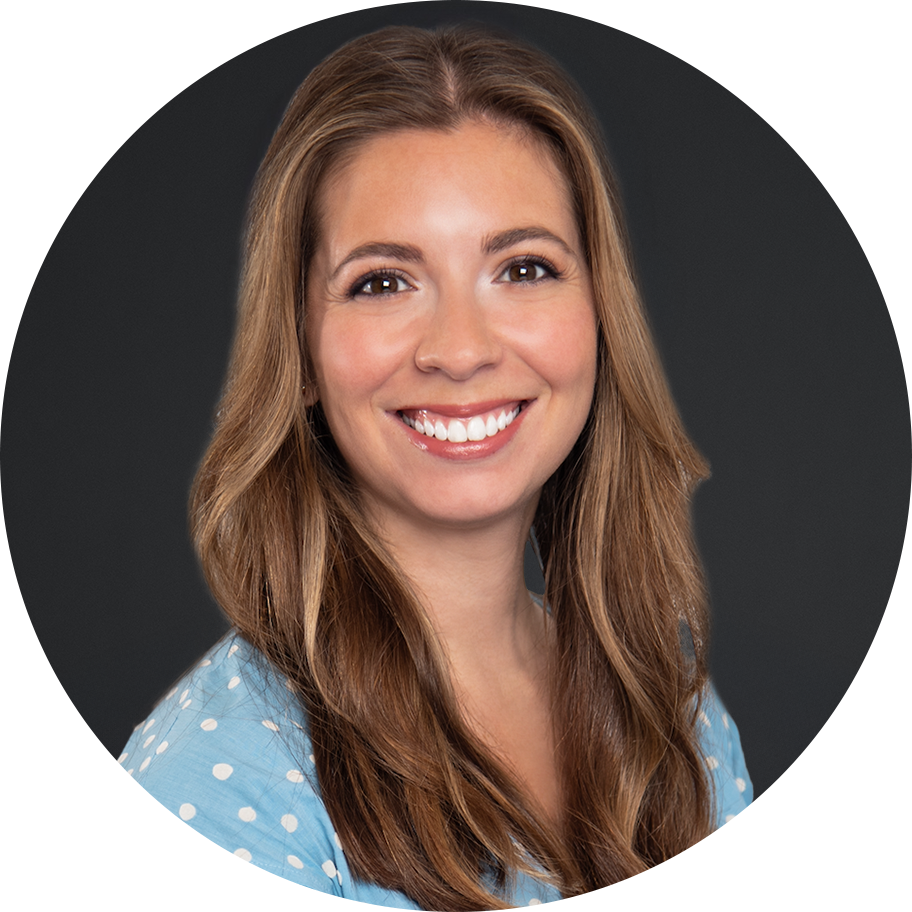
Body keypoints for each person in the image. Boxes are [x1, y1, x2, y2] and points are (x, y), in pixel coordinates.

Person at [71, 25, 790, 912]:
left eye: (524, 268)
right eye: (382, 281)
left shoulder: (671, 720)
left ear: (600, 318)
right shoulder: (222, 792)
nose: (460, 350)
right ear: (298, 349)